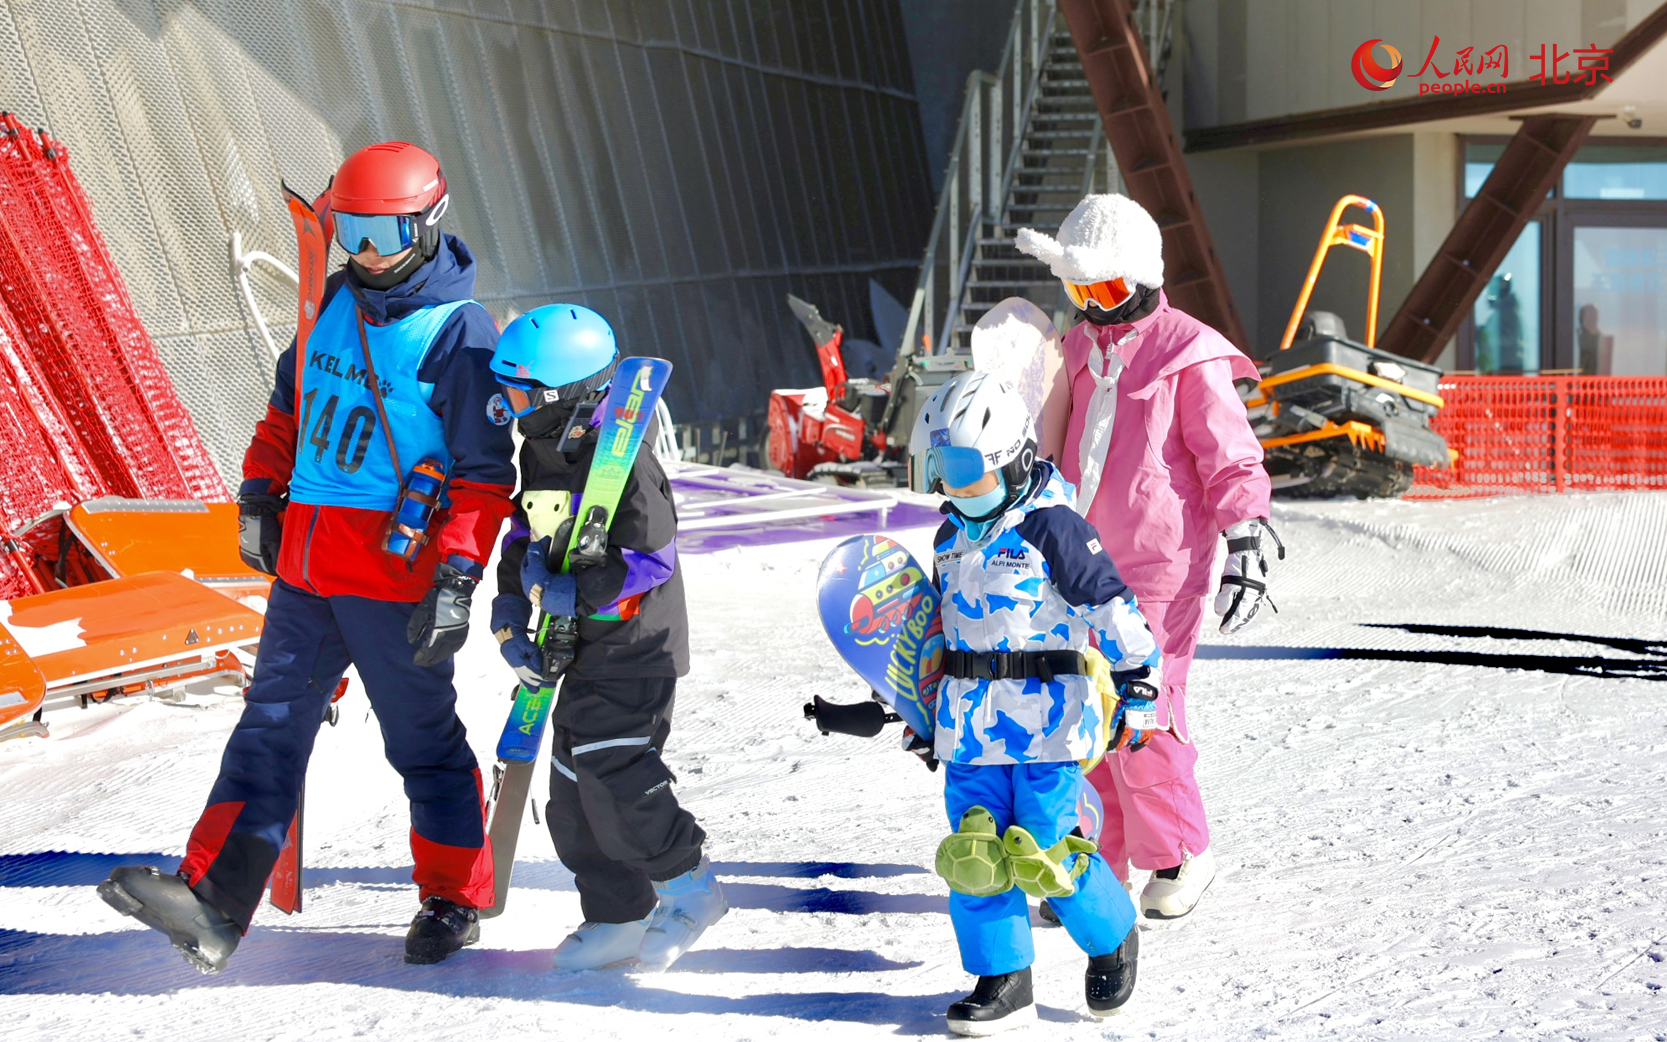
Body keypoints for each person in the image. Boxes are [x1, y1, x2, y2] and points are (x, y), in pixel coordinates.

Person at [98, 142, 515, 971]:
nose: (363, 252)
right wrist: (258, 489)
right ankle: (213, 900)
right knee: (269, 728)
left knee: (421, 741)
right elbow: (287, 408)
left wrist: (459, 576)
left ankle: (452, 896)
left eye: (382, 233)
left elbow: (482, 476)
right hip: (307, 564)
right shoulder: (332, 302)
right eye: (349, 230)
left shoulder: (460, 334)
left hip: (393, 575)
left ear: (427, 225)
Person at [1016, 193, 1277, 920]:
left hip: (1163, 562)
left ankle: (1180, 854)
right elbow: (1047, 448)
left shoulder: (1187, 351)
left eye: (1103, 289)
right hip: (1079, 563)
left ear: (1141, 277)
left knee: (1143, 711)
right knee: (1084, 712)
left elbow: (1228, 455)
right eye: (1077, 292)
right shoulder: (1074, 349)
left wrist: (1246, 538)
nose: (1092, 307)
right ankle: (1100, 862)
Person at [913, 370, 1161, 1033]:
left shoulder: (1051, 527)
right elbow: (935, 634)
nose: (953, 487)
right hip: (968, 725)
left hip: (1046, 722)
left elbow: (1111, 607)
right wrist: (921, 712)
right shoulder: (947, 539)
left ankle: (1112, 936)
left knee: (1042, 851)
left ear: (1012, 456)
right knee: (975, 853)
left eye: (966, 470)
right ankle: (1001, 976)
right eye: (941, 469)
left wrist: (1139, 677)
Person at [487, 304, 725, 972]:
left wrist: (576, 593)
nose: (504, 404)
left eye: (516, 390)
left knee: (614, 769)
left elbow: (651, 558)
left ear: (559, 393)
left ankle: (689, 885)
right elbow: (522, 532)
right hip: (578, 646)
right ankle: (618, 911)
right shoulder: (539, 450)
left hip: (633, 645)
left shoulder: (622, 458)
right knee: (570, 790)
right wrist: (511, 607)